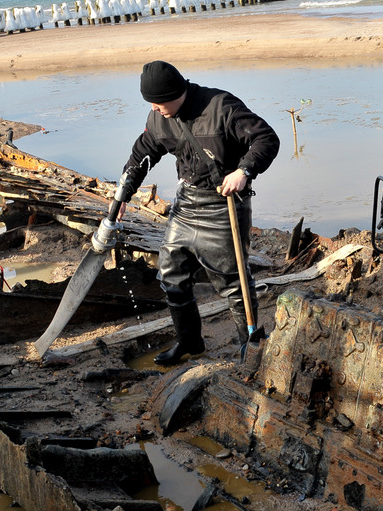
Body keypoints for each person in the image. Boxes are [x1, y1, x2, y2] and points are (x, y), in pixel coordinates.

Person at [93, 60, 280, 365]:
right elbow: (142, 154)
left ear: (175, 92)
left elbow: (266, 139)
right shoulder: (159, 118)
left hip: (224, 205)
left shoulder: (221, 107)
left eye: (157, 102)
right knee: (171, 275)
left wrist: (244, 171)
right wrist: (123, 194)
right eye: (150, 104)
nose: (154, 109)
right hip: (186, 205)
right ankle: (190, 342)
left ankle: (248, 346)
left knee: (234, 284)